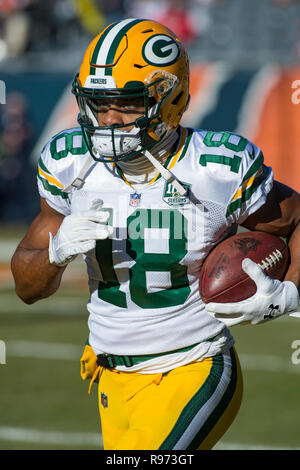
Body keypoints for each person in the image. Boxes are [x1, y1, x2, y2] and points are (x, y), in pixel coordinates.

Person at [11, 18, 300, 451]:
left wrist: (290, 292)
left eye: (125, 103)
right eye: (97, 103)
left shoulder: (216, 167)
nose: (107, 118)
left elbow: (296, 220)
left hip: (196, 366)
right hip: (110, 377)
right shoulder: (70, 163)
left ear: (171, 98)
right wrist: (56, 251)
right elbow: (26, 287)